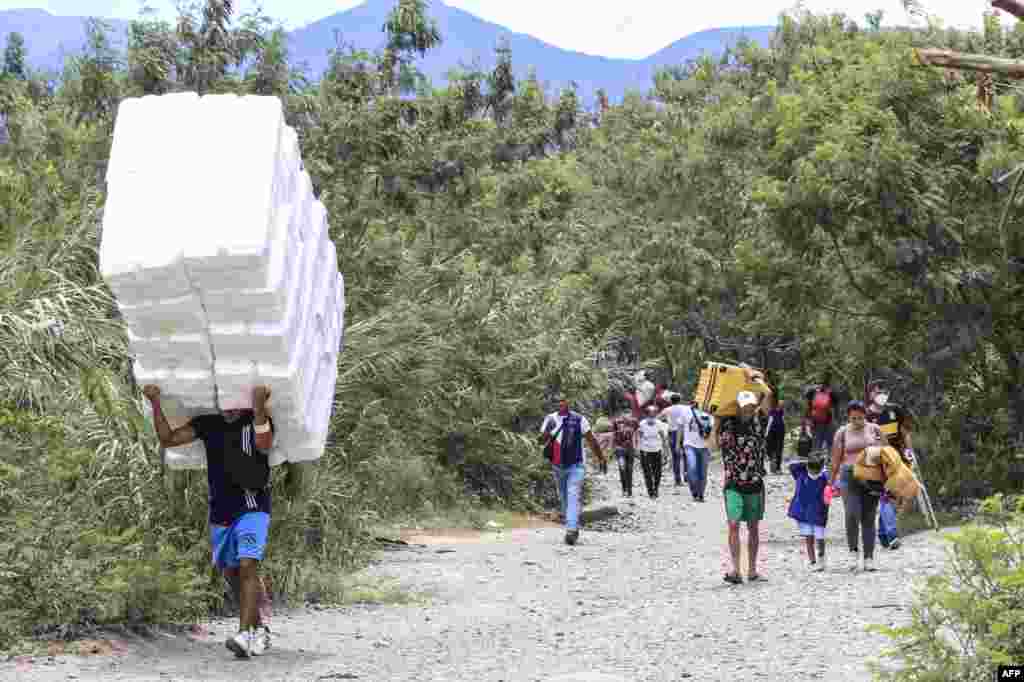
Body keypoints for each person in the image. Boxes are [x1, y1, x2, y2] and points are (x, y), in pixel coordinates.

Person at [143, 384, 275, 659]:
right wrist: (155, 401)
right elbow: (168, 439)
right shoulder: (208, 423)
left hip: (252, 506)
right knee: (231, 572)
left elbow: (264, 444)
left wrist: (259, 403)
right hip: (221, 510)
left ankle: (244, 634)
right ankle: (259, 629)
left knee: (248, 563)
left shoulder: (256, 420)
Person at [540, 397, 605, 546]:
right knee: (564, 497)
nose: (561, 403)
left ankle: (571, 529)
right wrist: (548, 430)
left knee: (572, 494)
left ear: (569, 403)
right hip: (558, 466)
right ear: (555, 403)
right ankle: (572, 526)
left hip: (576, 465)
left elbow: (591, 440)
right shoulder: (550, 419)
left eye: (564, 401)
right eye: (558, 401)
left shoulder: (579, 419)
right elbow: (541, 441)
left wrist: (601, 458)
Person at [718, 391, 768, 583]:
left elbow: (767, 395)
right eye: (744, 406)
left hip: (754, 482)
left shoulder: (759, 422)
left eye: (751, 406)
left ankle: (753, 570)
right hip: (733, 483)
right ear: (737, 407)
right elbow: (713, 443)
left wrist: (754, 375)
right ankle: (736, 570)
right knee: (733, 524)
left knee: (753, 527)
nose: (748, 409)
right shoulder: (726, 424)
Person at [829, 400, 884, 572]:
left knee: (869, 517)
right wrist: (831, 481)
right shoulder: (842, 432)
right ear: (848, 417)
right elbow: (836, 458)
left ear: (865, 415)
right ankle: (853, 551)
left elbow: (887, 452)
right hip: (849, 476)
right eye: (853, 418)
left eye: (860, 418)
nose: (857, 422)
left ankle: (869, 558)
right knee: (852, 514)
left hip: (872, 477)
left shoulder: (874, 429)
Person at [865, 381, 915, 550]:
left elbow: (905, 431)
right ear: (871, 394)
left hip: (898, 457)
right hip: (879, 460)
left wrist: (909, 450)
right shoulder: (865, 416)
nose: (882, 395)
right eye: (878, 391)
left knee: (892, 495)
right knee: (887, 495)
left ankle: (883, 535)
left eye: (884, 391)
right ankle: (892, 535)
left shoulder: (895, 410)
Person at [787, 449, 831, 571]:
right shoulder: (801, 473)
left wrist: (817, 463)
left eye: (816, 470)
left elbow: (833, 481)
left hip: (819, 512)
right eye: (811, 469)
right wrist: (807, 461)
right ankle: (812, 561)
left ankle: (821, 559)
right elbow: (791, 464)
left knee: (820, 538)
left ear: (821, 467)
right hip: (803, 512)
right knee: (808, 537)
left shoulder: (824, 476)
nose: (813, 472)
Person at [679, 399, 712, 502]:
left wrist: (712, 448)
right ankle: (694, 492)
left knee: (703, 473)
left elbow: (712, 432)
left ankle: (700, 494)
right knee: (692, 468)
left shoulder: (709, 414)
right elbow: (680, 427)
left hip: (704, 447)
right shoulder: (686, 412)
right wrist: (678, 443)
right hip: (689, 445)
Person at [634, 405, 667, 499]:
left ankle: (656, 488)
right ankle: (651, 491)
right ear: (646, 415)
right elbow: (638, 437)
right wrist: (637, 449)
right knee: (647, 472)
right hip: (645, 451)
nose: (652, 417)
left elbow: (663, 437)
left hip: (657, 450)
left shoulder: (659, 424)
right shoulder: (642, 424)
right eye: (650, 415)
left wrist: (665, 451)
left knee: (657, 472)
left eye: (653, 415)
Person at [659, 394, 688, 488]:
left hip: (672, 433)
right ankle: (687, 476)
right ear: (680, 400)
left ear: (671, 401)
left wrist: (666, 421)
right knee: (686, 454)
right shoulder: (685, 408)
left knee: (675, 457)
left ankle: (677, 480)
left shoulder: (667, 409)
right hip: (685, 433)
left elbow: (658, 418)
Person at [804, 374, 837, 453]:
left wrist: (807, 423)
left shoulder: (812, 392)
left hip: (819, 423)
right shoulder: (829, 392)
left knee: (817, 445)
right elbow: (836, 404)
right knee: (829, 444)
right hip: (824, 422)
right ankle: (829, 461)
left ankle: (817, 461)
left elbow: (808, 408)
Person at [610, 411, 640, 497]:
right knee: (622, 469)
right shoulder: (616, 421)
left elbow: (637, 434)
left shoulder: (634, 421)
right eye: (624, 413)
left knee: (629, 470)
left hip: (630, 449)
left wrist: (637, 446)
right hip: (620, 449)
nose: (626, 415)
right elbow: (613, 434)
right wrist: (612, 448)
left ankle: (629, 491)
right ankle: (624, 490)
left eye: (628, 413)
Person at [762, 393, 786, 474]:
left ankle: (776, 468)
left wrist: (766, 432)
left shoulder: (777, 411)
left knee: (776, 449)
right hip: (776, 431)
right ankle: (776, 468)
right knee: (775, 449)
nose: (781, 405)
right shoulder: (775, 411)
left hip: (777, 431)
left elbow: (776, 420)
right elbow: (773, 421)